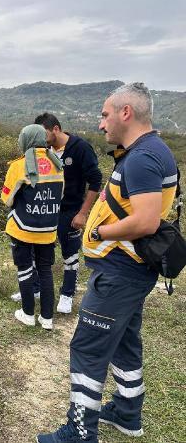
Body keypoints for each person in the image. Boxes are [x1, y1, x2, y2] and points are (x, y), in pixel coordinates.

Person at [38, 83, 178, 442]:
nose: (101, 124)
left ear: (125, 113)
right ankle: (127, 413)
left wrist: (100, 234)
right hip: (129, 273)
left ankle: (80, 431)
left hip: (120, 273)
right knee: (125, 341)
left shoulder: (144, 157)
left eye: (104, 115)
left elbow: (145, 221)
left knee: (87, 347)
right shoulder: (148, 151)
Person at [11, 114, 102, 314]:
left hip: (70, 211)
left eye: (43, 133)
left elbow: (95, 181)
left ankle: (67, 294)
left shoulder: (80, 148)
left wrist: (83, 213)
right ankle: (34, 289)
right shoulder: (44, 150)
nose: (40, 138)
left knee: (69, 255)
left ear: (56, 129)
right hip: (44, 212)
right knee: (38, 253)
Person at [1, 124, 64, 330]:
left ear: (25, 140)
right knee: (45, 271)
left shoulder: (19, 166)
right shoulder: (57, 163)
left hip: (23, 228)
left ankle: (28, 313)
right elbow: (59, 195)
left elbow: (7, 198)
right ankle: (47, 318)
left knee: (25, 269)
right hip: (48, 229)